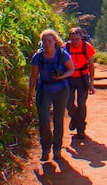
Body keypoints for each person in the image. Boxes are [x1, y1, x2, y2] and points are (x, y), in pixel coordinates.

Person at [28, 29, 75, 162]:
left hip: (61, 90)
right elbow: (33, 76)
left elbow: (71, 69)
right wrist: (30, 94)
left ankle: (57, 150)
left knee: (58, 120)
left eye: (49, 41)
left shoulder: (62, 55)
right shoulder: (38, 57)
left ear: (55, 41)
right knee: (43, 120)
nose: (47, 44)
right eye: (44, 41)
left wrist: (61, 77)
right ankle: (46, 149)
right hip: (44, 90)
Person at [65, 27, 96, 139]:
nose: (75, 42)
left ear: (81, 38)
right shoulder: (66, 47)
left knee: (81, 103)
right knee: (68, 103)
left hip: (82, 78)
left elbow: (91, 66)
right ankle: (75, 119)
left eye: (77, 39)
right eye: (73, 39)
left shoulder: (86, 47)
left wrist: (91, 83)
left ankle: (80, 129)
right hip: (69, 78)